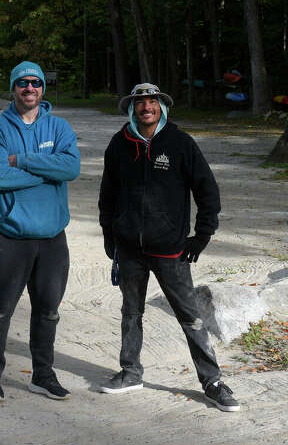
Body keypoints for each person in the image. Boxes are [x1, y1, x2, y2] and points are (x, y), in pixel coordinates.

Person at [97, 83, 241, 412]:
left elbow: (208, 192)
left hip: (171, 251)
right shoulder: (119, 144)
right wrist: (110, 233)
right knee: (131, 313)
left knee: (190, 318)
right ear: (131, 109)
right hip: (130, 248)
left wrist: (202, 235)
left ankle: (213, 382)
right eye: (140, 103)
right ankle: (130, 372)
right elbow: (108, 194)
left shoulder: (180, 143)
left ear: (161, 107)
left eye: (152, 102)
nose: (146, 107)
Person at [0, 61, 80, 404]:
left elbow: (72, 168)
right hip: (10, 235)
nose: (29, 88)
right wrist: (49, 170)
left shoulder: (59, 126)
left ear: (43, 88)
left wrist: (21, 160)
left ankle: (43, 375)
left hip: (52, 238)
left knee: (49, 309)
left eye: (36, 82)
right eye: (22, 83)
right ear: (13, 88)